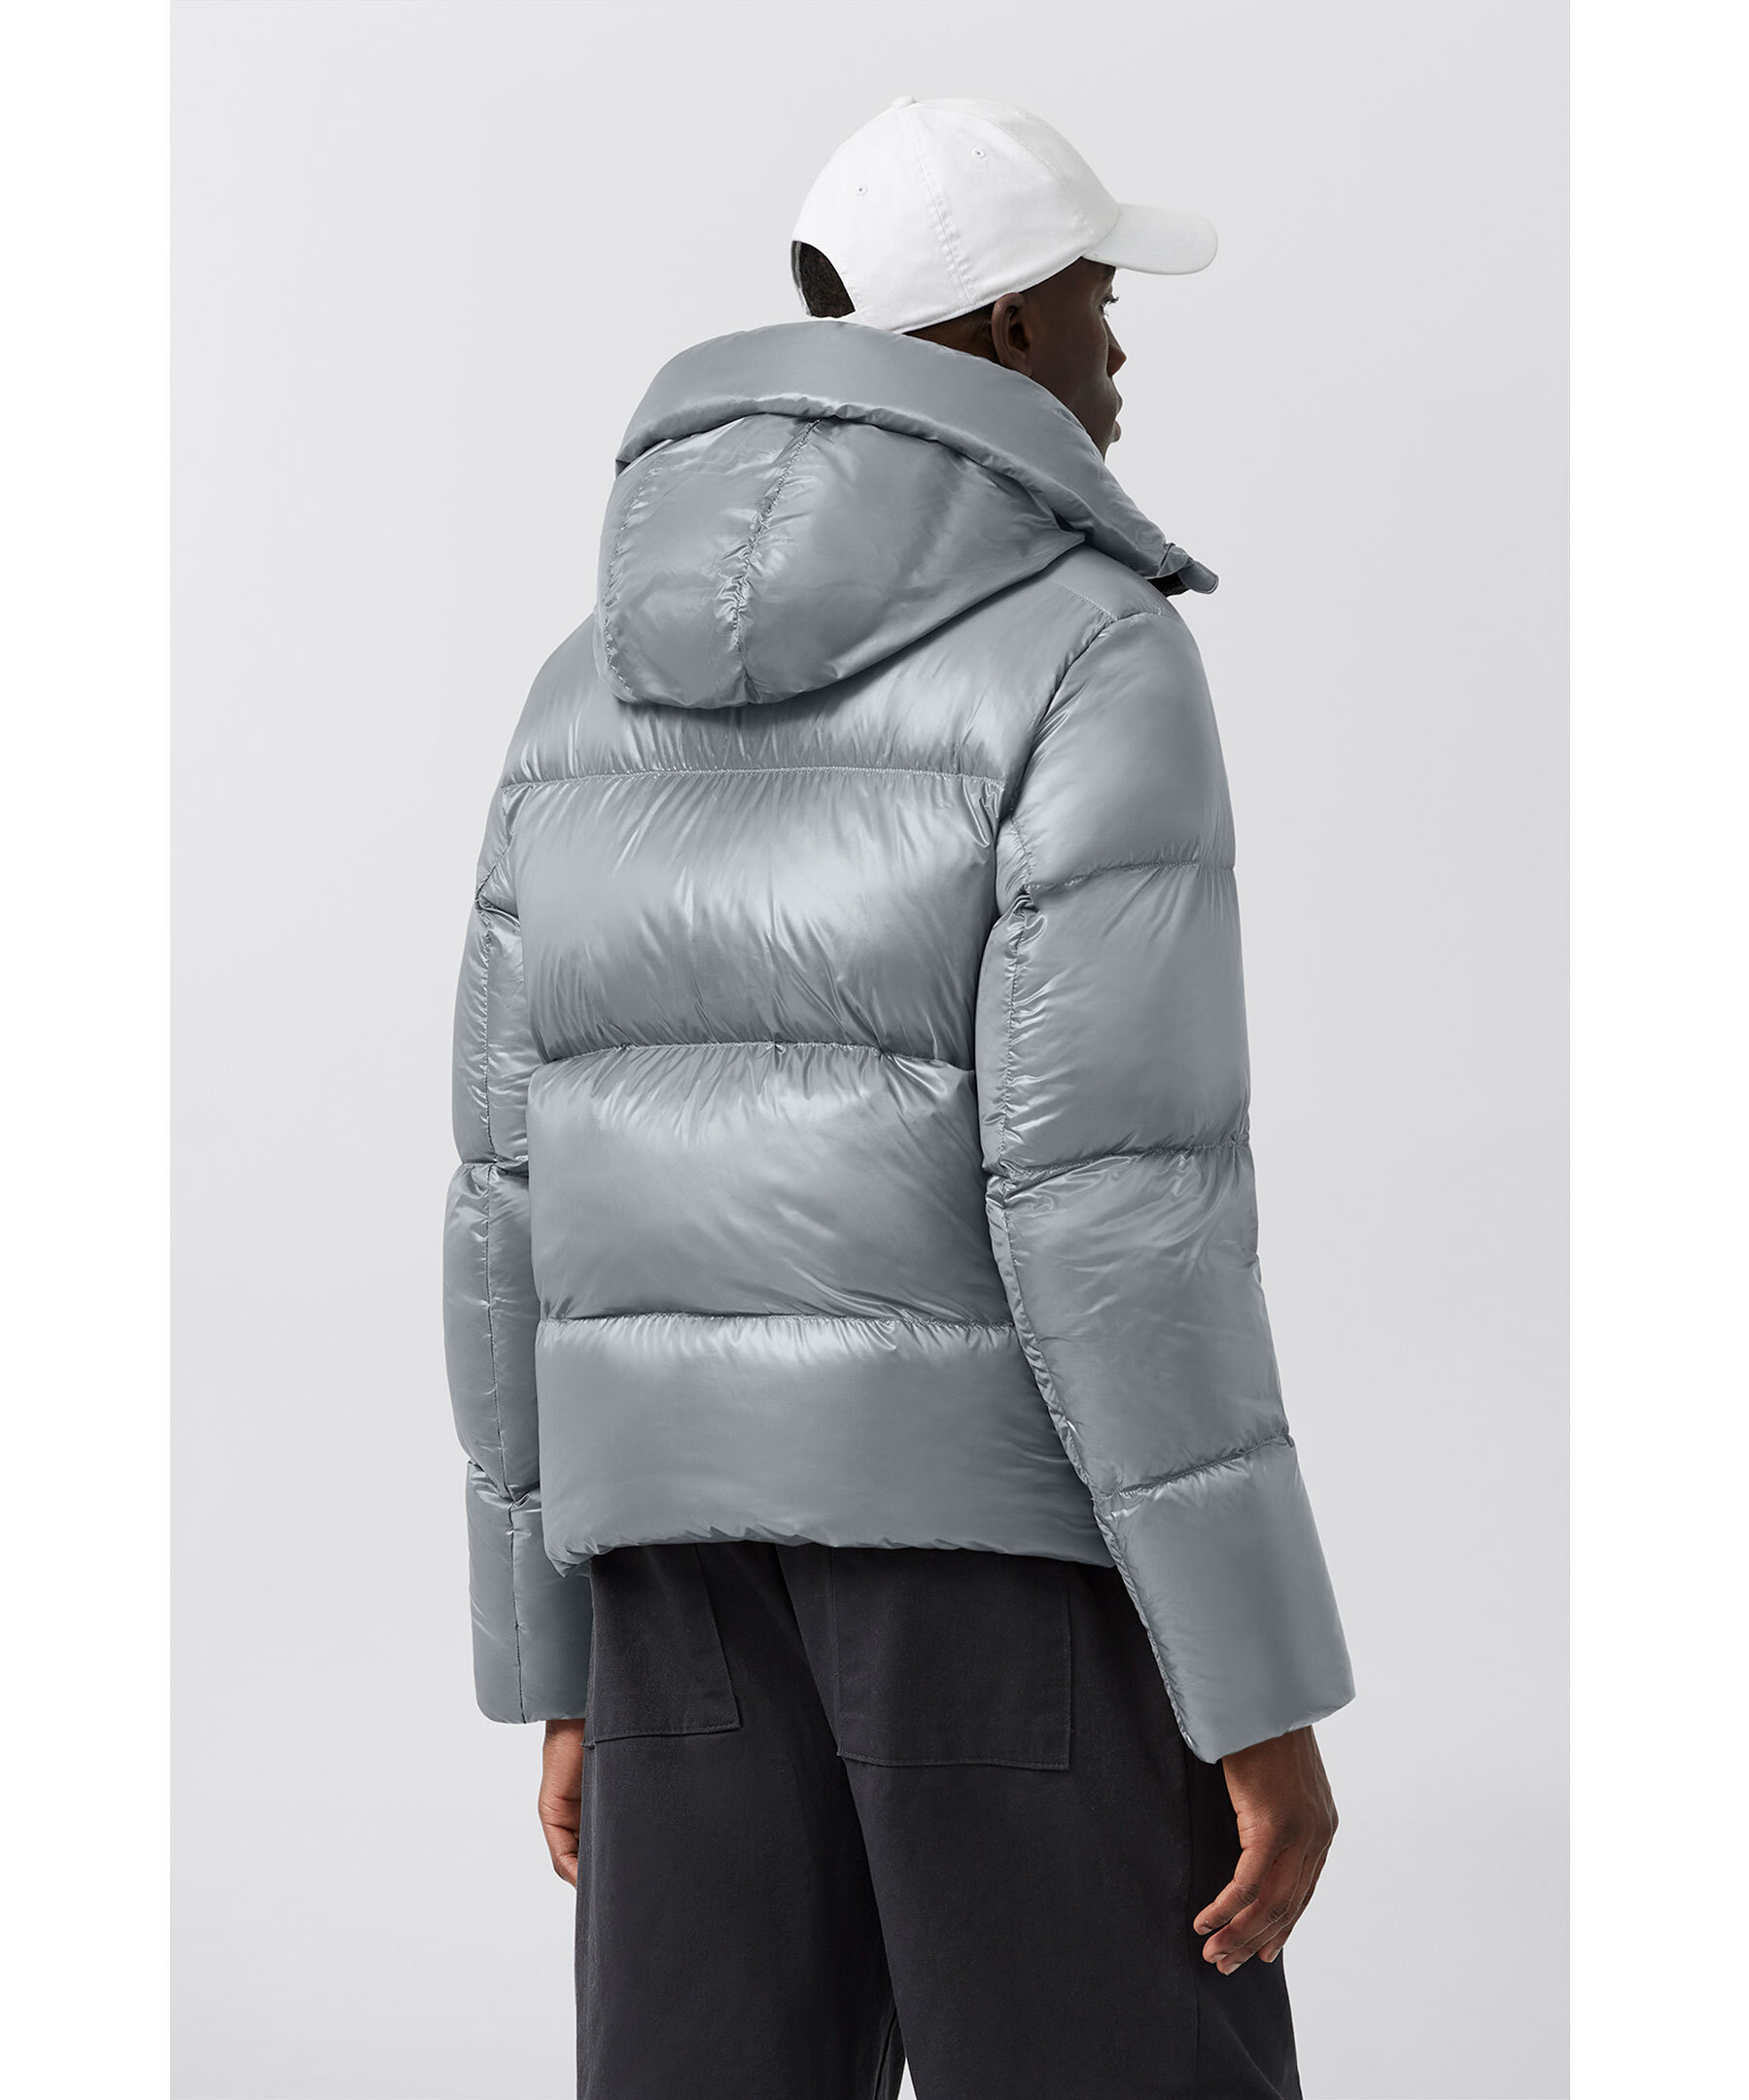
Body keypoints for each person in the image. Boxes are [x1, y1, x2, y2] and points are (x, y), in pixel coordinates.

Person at [442, 94, 1354, 2100]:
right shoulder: (1086, 649)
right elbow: (1110, 1200)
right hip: (1002, 1576)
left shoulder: (580, 685)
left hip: (673, 1580)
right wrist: (1255, 1682)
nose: (1119, 348)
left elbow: (505, 1190)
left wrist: (557, 1653)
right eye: (1098, 296)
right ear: (1013, 325)